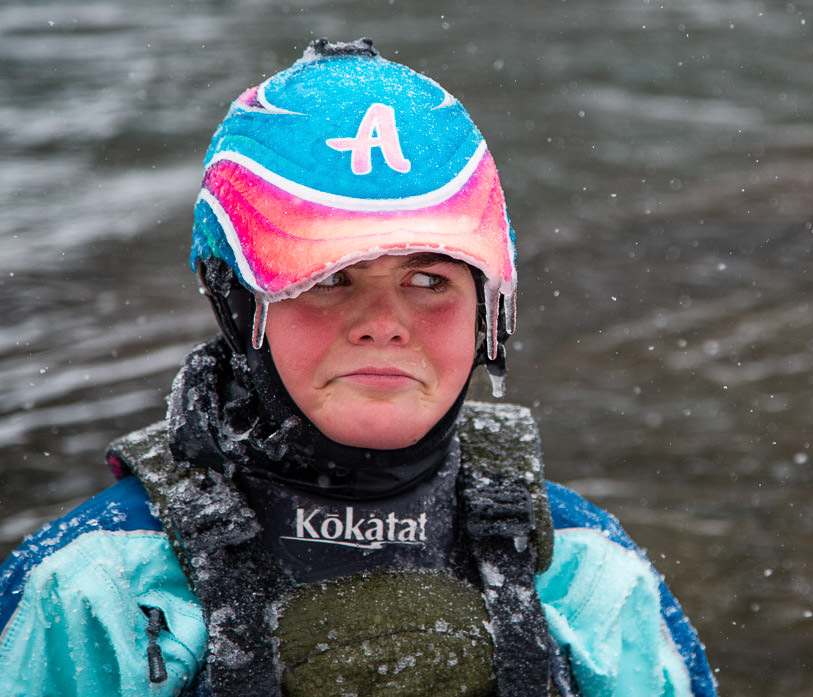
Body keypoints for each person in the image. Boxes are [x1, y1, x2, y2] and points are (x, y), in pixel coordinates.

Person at [0, 38, 716, 697]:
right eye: (327, 280)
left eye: (430, 281)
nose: (383, 323)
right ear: (238, 301)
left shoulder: (584, 574)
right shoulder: (97, 586)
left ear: (487, 313)